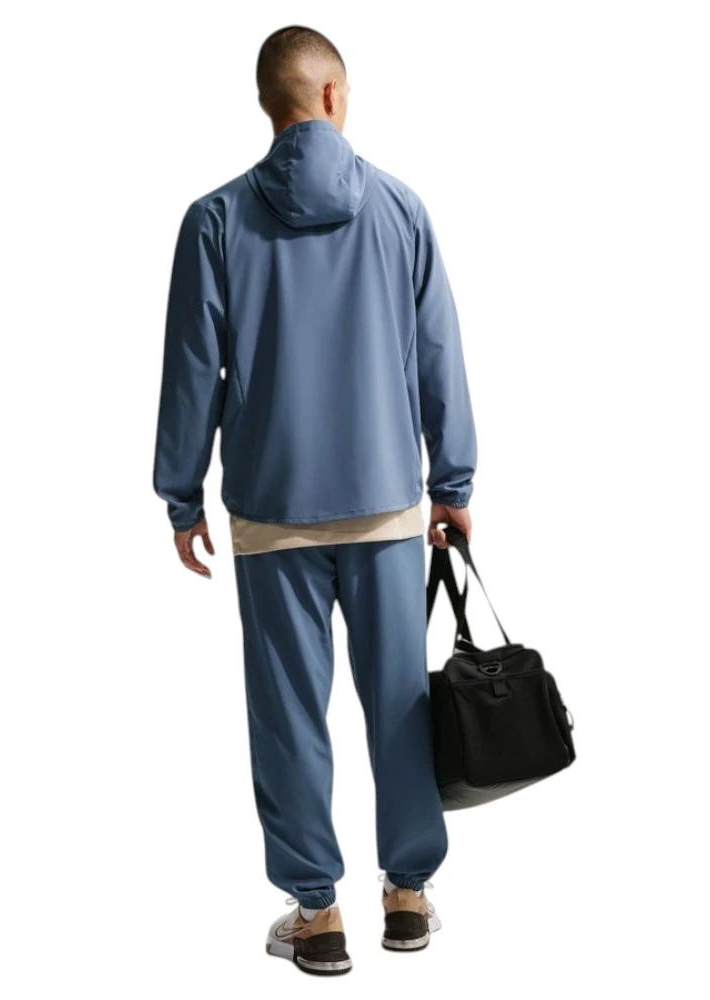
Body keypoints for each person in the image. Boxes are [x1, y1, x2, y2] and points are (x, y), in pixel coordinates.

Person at [153, 25, 476, 976]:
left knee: (289, 715)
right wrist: (453, 484)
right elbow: (439, 355)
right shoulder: (401, 208)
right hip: (387, 507)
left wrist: (181, 496)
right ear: (333, 96)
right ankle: (407, 897)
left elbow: (192, 372)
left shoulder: (214, 221)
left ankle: (317, 913)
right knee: (400, 704)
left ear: (270, 104)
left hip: (272, 510)